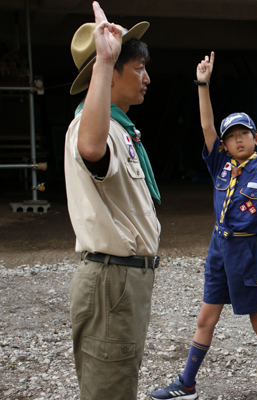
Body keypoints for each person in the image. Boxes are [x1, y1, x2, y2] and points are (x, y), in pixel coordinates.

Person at [151, 52, 257, 400]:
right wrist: (203, 84)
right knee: (205, 318)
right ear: (226, 144)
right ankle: (187, 383)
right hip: (219, 248)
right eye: (232, 137)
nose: (238, 140)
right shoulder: (221, 167)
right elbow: (206, 126)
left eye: (245, 134)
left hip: (248, 252)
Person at [64, 2, 161, 399]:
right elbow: (91, 148)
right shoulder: (90, 128)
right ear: (108, 71)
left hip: (125, 279)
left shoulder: (122, 129)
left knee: (120, 382)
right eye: (137, 68)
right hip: (112, 279)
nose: (147, 78)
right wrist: (105, 61)